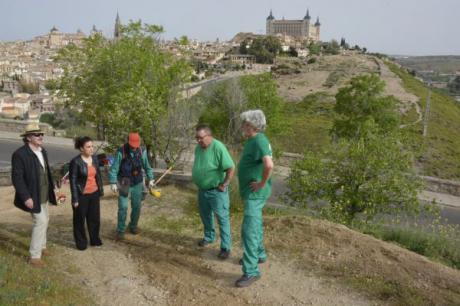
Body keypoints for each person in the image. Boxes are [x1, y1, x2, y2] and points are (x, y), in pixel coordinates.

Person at [235, 110, 274, 288]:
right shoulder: (254, 140)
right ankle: (259, 254)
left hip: (255, 194)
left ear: (253, 125)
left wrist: (261, 183)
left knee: (249, 231)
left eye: (245, 124)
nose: (242, 126)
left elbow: (269, 164)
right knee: (255, 225)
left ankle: (251, 271)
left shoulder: (259, 140)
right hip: (252, 194)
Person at [11, 123, 57, 267]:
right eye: (37, 134)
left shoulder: (42, 151)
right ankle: (34, 256)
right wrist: (26, 197)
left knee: (46, 219)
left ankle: (42, 246)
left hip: (43, 192)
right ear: (28, 137)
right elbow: (17, 178)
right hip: (32, 195)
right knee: (40, 221)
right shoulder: (20, 154)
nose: (41, 136)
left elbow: (46, 171)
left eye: (41, 134)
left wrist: (53, 185)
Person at [192, 124, 235, 259]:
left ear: (209, 136)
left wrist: (225, 183)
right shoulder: (198, 148)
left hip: (216, 191)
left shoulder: (218, 147)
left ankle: (225, 247)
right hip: (202, 190)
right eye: (196, 138)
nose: (198, 140)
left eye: (200, 138)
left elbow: (230, 167)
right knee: (205, 216)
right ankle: (209, 237)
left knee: (222, 218)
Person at [109, 132, 154, 240]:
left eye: (136, 145)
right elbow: (114, 168)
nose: (134, 148)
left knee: (137, 207)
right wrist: (113, 182)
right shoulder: (121, 152)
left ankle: (133, 226)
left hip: (137, 182)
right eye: (132, 145)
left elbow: (147, 167)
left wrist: (151, 178)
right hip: (124, 182)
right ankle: (120, 230)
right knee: (123, 207)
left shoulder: (141, 151)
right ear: (128, 142)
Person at [69, 136, 104, 250]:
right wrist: (75, 199)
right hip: (81, 195)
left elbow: (98, 175)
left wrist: (100, 190)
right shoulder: (75, 162)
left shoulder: (94, 159)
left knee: (94, 219)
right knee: (79, 220)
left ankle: (94, 239)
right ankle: (81, 243)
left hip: (94, 193)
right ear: (81, 149)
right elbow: (73, 181)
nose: (91, 149)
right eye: (88, 147)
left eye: (92, 146)